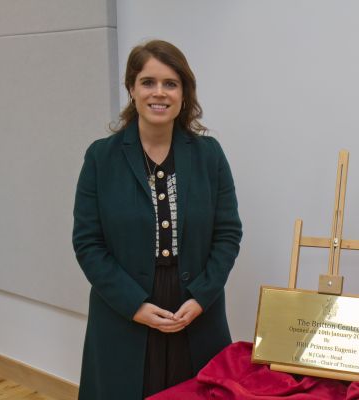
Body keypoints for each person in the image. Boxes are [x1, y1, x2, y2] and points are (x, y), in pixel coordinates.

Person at [72, 40, 243, 399]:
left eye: (171, 83)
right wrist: (134, 305)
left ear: (184, 93)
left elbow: (227, 234)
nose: (159, 93)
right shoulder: (101, 158)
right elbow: (88, 243)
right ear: (131, 90)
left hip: (195, 311)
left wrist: (200, 299)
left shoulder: (209, 155)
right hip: (125, 312)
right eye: (148, 82)